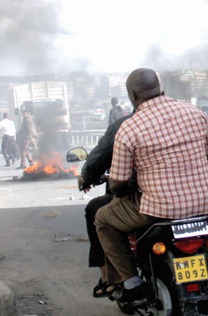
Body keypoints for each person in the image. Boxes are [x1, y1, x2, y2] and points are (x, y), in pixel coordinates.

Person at [95, 68, 208, 303]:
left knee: (103, 219)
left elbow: (118, 184)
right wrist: (192, 177)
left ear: (132, 96)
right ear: (160, 87)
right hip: (203, 202)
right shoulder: (194, 113)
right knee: (207, 230)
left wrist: (125, 191)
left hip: (159, 209)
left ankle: (132, 283)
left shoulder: (130, 128)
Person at [79, 112, 134, 298]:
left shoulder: (126, 125)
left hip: (147, 201)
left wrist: (87, 177)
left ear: (134, 97)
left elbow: (99, 160)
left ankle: (112, 279)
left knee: (98, 214)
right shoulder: (188, 116)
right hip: (196, 201)